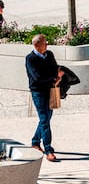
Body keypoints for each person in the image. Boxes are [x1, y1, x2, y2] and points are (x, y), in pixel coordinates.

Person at [25, 34, 65, 162]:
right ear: (37, 45)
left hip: (51, 90)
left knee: (46, 118)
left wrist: (58, 76)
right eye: (44, 43)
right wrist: (54, 78)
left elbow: (54, 68)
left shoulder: (49, 54)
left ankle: (35, 141)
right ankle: (48, 150)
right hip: (38, 92)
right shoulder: (30, 59)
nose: (47, 45)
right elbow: (37, 78)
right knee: (44, 119)